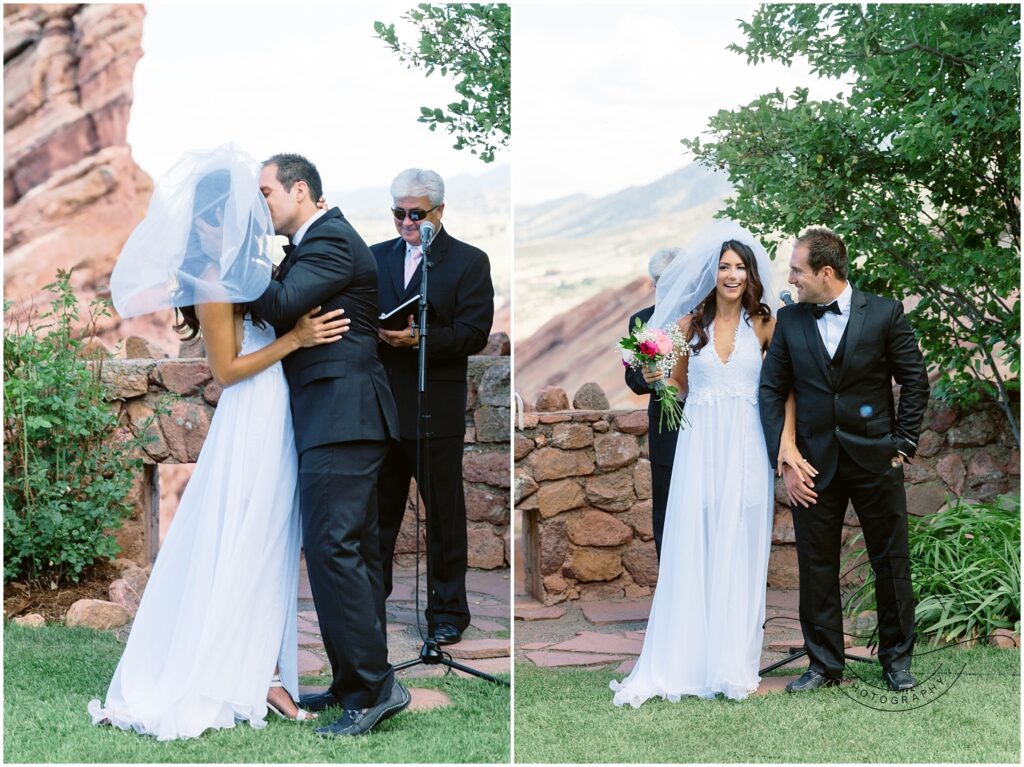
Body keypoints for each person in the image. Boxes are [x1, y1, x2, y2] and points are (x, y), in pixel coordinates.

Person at [90, 145, 348, 739]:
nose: (251, 214)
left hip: (277, 409)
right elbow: (227, 369)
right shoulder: (210, 279)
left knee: (270, 538)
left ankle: (264, 668)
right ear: (209, 219)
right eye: (239, 206)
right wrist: (298, 340)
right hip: (251, 412)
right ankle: (256, 677)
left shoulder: (246, 267)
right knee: (249, 535)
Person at [610, 220, 806, 705]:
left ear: (751, 273)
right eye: (724, 266)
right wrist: (656, 376)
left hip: (745, 444)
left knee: (740, 541)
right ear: (710, 273)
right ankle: (688, 658)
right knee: (694, 541)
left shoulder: (765, 324)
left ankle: (732, 661)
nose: (732, 274)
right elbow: (674, 385)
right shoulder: (685, 325)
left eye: (740, 267)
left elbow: (783, 391)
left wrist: (786, 445)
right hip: (698, 443)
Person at [251, 154, 411, 737]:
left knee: (334, 550)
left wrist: (243, 264)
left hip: (343, 416)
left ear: (300, 191)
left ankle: (374, 689)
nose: (260, 202)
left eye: (266, 192)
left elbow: (277, 306)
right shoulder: (317, 243)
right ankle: (354, 681)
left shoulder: (332, 241)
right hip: (338, 416)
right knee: (351, 554)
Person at [759, 227, 928, 693]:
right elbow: (772, 389)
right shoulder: (790, 321)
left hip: (876, 461)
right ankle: (824, 666)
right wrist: (786, 455)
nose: (791, 278)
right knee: (816, 566)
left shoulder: (885, 314)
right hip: (813, 465)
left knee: (890, 562)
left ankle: (897, 661)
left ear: (825, 272)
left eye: (797, 270)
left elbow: (915, 382)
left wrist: (903, 445)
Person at [371, 168, 494, 646]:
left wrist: (421, 338)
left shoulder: (468, 261)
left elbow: (474, 332)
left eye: (415, 213)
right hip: (382, 406)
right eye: (398, 212)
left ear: (439, 212)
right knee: (377, 516)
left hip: (434, 407)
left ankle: (447, 612)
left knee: (444, 515)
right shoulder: (374, 257)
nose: (405, 220)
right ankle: (369, 606)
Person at [624, 247, 682, 561]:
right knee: (665, 509)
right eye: (664, 281)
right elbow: (632, 380)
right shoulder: (641, 321)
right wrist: (647, 377)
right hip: (665, 427)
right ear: (654, 284)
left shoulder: (704, 316)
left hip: (705, 422)